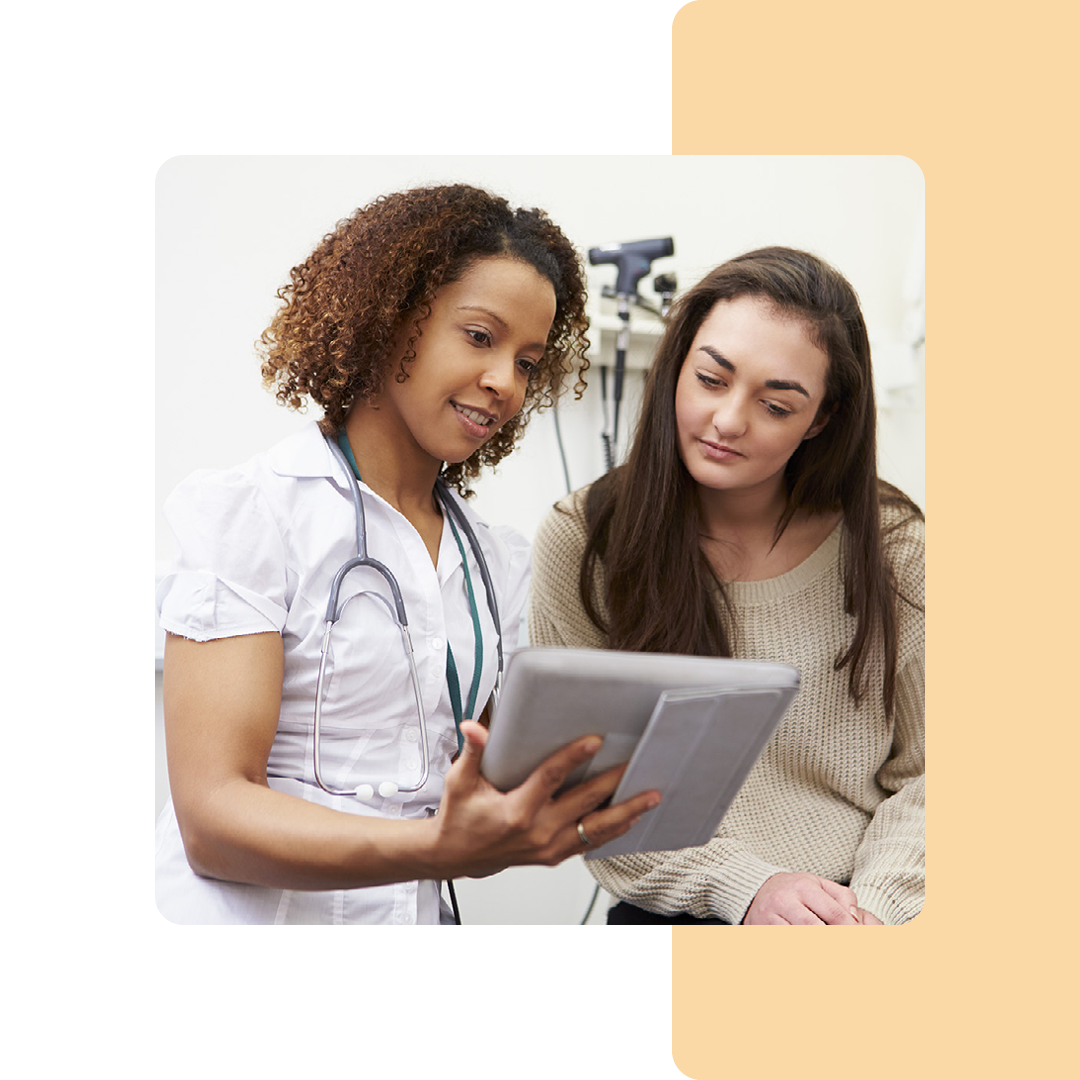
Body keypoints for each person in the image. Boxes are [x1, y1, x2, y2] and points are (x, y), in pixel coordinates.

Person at [155, 184, 660, 924]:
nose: (504, 384)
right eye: (481, 338)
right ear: (391, 318)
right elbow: (214, 820)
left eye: (528, 361)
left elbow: (490, 775)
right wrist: (433, 848)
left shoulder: (496, 563)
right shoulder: (256, 514)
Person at [529, 246, 924, 925]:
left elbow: (932, 774)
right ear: (678, 365)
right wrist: (749, 888)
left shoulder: (892, 548)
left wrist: (872, 914)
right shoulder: (586, 539)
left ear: (821, 419)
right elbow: (591, 799)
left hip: (863, 917)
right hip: (682, 915)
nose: (729, 420)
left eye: (775, 404)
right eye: (712, 379)